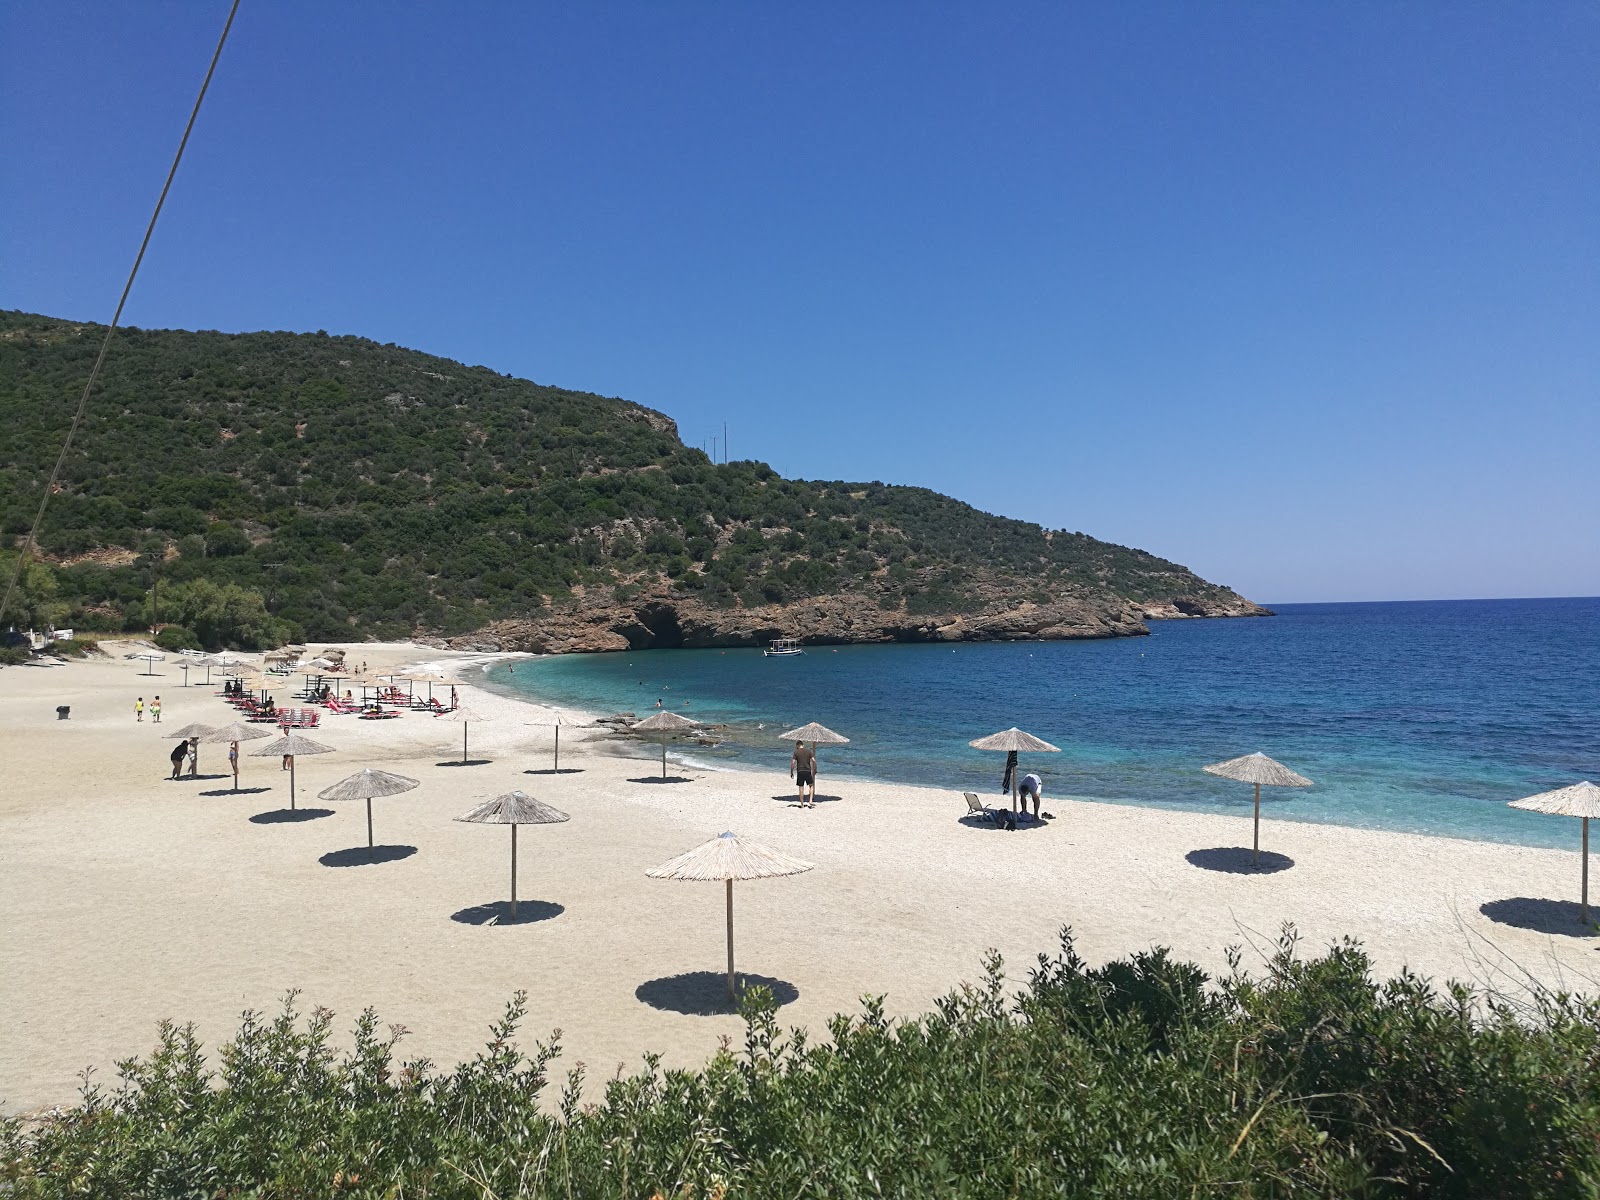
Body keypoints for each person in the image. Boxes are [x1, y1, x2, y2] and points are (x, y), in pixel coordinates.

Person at [790, 740, 817, 808]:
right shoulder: (808, 751)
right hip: (807, 771)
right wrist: (815, 769)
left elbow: (793, 762)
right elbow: (813, 760)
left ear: (797, 745)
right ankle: (810, 801)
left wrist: (791, 771)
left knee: (801, 787)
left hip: (800, 771)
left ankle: (802, 804)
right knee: (811, 785)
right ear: (803, 745)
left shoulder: (796, 752)